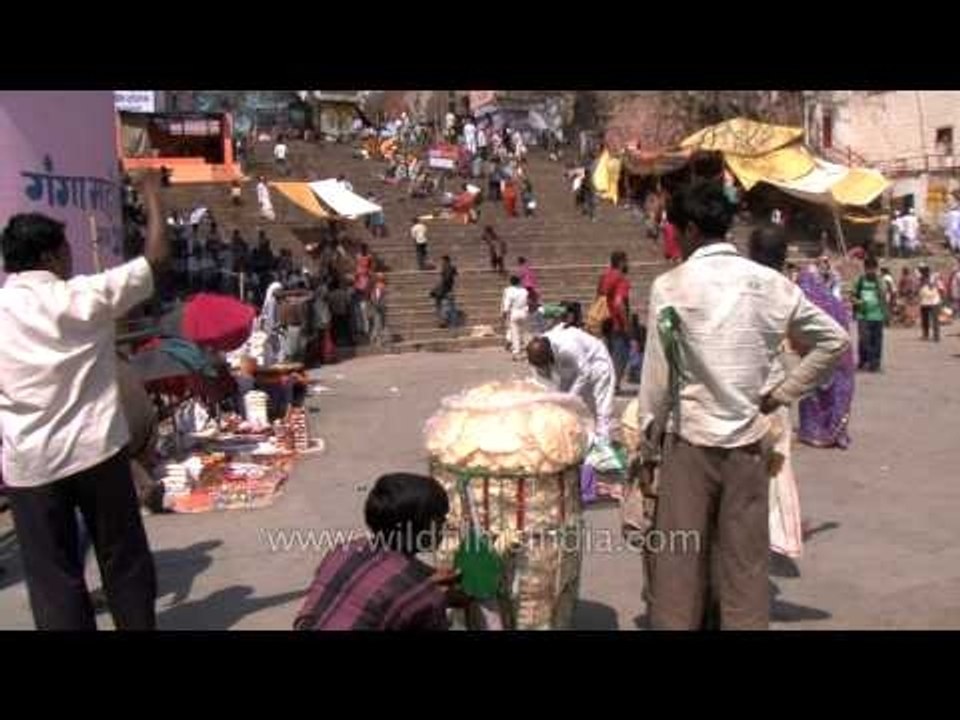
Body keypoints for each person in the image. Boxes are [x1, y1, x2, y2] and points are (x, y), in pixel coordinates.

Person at [635, 179, 849, 630]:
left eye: (676, 230)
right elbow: (834, 341)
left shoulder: (671, 286)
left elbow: (656, 379)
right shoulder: (772, 285)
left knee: (678, 566)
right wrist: (782, 394)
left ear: (691, 228)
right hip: (749, 445)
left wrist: (646, 442)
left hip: (689, 444)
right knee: (745, 568)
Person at [0, 173, 168, 630]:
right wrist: (152, 191)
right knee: (123, 559)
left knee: (53, 579)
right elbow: (155, 259)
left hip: (31, 465)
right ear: (52, 255)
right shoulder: (81, 295)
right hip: (96, 453)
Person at [294, 473, 453, 630]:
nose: (445, 523)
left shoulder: (343, 551)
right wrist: (431, 594)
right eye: (440, 517)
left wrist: (423, 583)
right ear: (421, 526)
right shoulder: (423, 596)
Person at [795, 267, 856, 449]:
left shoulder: (809, 304)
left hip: (819, 355)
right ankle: (836, 432)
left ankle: (814, 432)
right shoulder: (834, 303)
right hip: (842, 356)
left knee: (814, 393)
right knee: (837, 394)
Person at [527, 326, 616, 439]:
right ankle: (576, 437)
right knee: (564, 405)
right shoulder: (538, 352)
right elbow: (544, 380)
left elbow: (585, 372)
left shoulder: (568, 346)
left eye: (545, 365)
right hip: (571, 368)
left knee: (602, 407)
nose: (544, 368)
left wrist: (570, 396)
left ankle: (604, 441)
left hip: (596, 362)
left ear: (549, 356)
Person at [597, 251, 631, 394]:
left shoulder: (604, 277)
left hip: (605, 322)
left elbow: (598, 297)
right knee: (621, 354)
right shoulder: (621, 279)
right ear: (621, 262)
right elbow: (618, 303)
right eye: (626, 261)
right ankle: (614, 385)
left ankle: (607, 384)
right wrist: (626, 324)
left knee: (609, 355)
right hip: (617, 323)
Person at [852, 257, 888, 372]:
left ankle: (875, 364)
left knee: (877, 341)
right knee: (864, 340)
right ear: (865, 268)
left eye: (873, 269)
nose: (871, 271)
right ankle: (863, 361)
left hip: (877, 315)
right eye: (869, 269)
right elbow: (852, 296)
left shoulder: (880, 280)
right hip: (863, 316)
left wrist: (886, 314)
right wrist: (858, 302)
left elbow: (883, 297)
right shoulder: (860, 280)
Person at [501, 276, 530, 360]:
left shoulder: (509, 291)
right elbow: (527, 301)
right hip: (524, 312)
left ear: (510, 282)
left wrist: (504, 313)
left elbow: (507, 304)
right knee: (525, 333)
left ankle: (516, 352)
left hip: (514, 312)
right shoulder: (524, 291)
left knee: (515, 334)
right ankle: (528, 351)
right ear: (519, 282)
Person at [918, 265, 943, 342]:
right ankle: (926, 335)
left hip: (934, 302)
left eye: (923, 271)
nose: (922, 273)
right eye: (921, 271)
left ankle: (936, 336)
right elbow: (919, 289)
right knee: (925, 320)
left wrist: (941, 299)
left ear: (927, 271)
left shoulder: (934, 278)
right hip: (924, 302)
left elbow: (941, 288)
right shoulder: (920, 279)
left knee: (935, 320)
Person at [432, 256, 459, 328]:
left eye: (442, 261)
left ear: (445, 261)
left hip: (445, 291)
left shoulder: (447, 268)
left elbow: (445, 281)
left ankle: (444, 322)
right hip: (447, 291)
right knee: (449, 307)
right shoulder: (450, 268)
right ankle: (448, 322)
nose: (441, 263)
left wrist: (437, 289)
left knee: (445, 307)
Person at [369, 273, 388, 346]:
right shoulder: (379, 286)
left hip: (380, 307)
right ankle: (377, 340)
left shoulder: (379, 286)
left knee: (379, 324)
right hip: (379, 308)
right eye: (382, 277)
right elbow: (376, 297)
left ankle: (375, 339)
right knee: (378, 324)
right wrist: (378, 305)